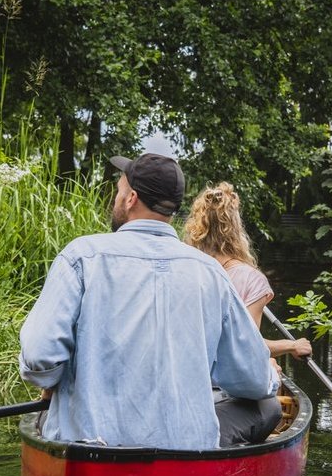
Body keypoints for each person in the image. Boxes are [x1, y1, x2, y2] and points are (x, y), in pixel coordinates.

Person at [18, 153, 278, 450]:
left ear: (131, 199)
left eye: (118, 191)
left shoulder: (81, 257)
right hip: (185, 456)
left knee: (49, 419)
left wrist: (55, 380)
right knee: (267, 406)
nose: (116, 199)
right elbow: (253, 379)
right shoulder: (211, 273)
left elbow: (39, 357)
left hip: (90, 450)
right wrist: (270, 374)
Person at [184, 182, 313, 446]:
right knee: (270, 407)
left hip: (184, 383)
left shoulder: (185, 268)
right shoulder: (250, 278)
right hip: (221, 391)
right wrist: (291, 346)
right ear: (235, 228)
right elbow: (248, 349)